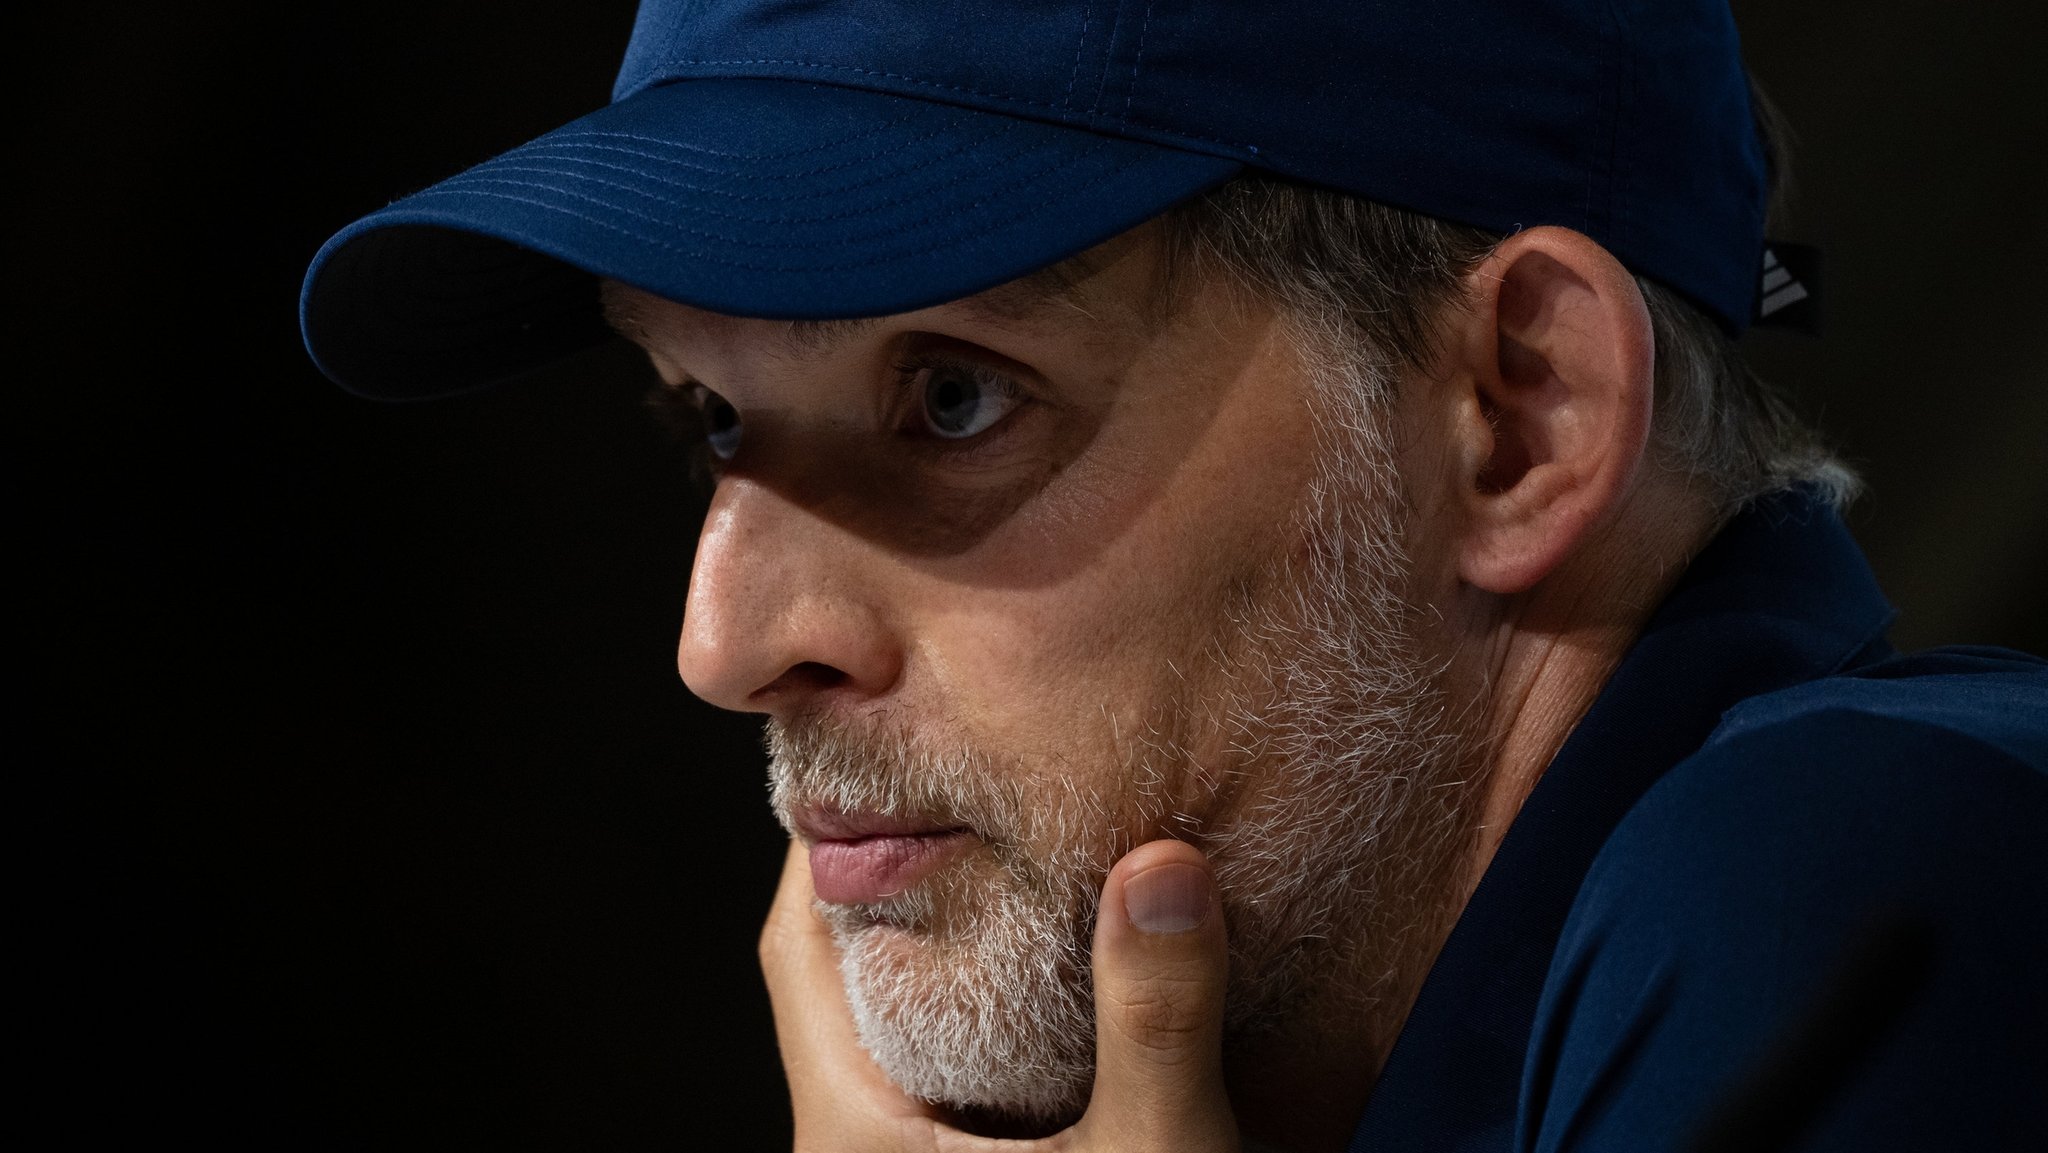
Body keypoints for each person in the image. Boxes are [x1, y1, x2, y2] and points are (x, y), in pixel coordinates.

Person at [300, 2, 2048, 1150]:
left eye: (955, 396)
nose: (729, 640)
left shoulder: (1868, 881)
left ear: (1520, 412)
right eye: (710, 420)